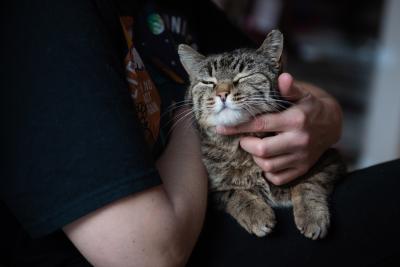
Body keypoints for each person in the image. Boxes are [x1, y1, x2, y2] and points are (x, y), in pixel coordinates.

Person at [1, 1, 399, 267]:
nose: (223, 89)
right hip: (180, 246)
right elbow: (146, 257)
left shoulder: (178, 3)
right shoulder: (44, 20)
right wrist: (204, 114)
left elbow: (275, 73)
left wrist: (326, 115)